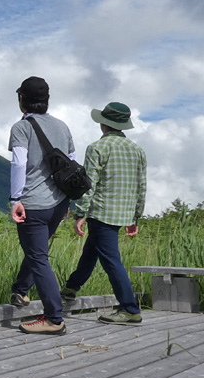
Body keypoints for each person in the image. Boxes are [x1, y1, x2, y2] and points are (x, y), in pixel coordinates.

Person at [60, 102, 147, 324]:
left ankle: (129, 308)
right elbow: (141, 186)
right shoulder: (137, 151)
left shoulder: (97, 148)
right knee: (92, 251)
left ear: (103, 124)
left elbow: (89, 184)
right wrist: (135, 216)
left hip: (101, 212)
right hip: (124, 213)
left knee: (111, 261)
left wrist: (80, 214)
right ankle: (71, 288)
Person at [8, 76, 76, 335]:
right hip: (58, 202)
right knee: (37, 252)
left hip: (33, 203)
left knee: (38, 258)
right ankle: (21, 292)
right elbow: (71, 163)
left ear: (21, 99)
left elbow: (18, 164)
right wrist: (66, 200)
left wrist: (16, 199)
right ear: (47, 101)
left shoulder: (21, 128)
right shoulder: (62, 127)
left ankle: (54, 319)